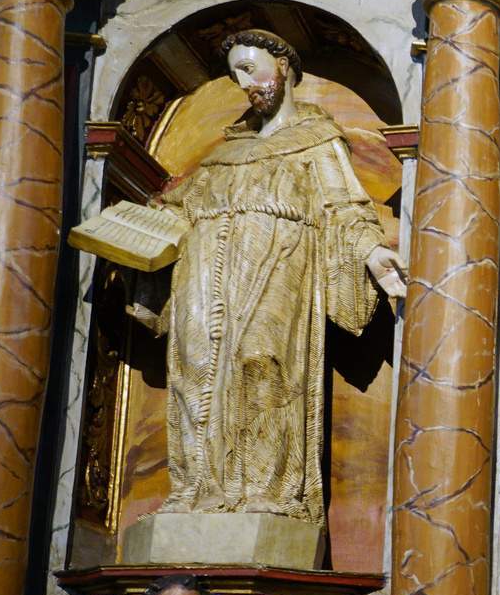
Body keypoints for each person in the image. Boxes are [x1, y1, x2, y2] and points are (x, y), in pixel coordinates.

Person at [128, 29, 405, 526]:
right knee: (194, 367)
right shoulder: (222, 153)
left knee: (264, 363)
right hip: (203, 268)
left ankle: (267, 492)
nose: (244, 82)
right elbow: (175, 210)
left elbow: (345, 207)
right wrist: (134, 231)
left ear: (283, 66)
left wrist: (371, 252)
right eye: (236, 73)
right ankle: (194, 490)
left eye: (251, 68)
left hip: (278, 267)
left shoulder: (317, 142)